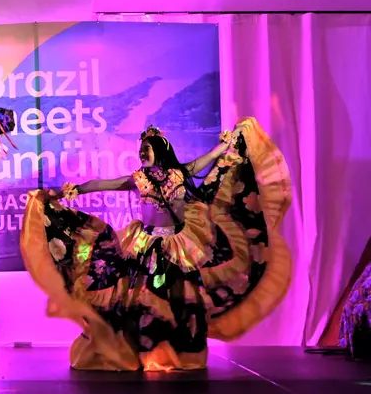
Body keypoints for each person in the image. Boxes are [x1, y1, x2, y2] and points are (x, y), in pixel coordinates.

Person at [20, 117, 292, 371]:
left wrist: (230, 141)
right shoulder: (138, 180)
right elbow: (104, 183)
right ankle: (145, 353)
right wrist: (70, 191)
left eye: (146, 149)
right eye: (140, 150)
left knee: (181, 299)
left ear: (160, 150)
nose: (142, 153)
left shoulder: (181, 173)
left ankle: (179, 351)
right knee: (141, 301)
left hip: (180, 243)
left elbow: (210, 157)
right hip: (145, 244)